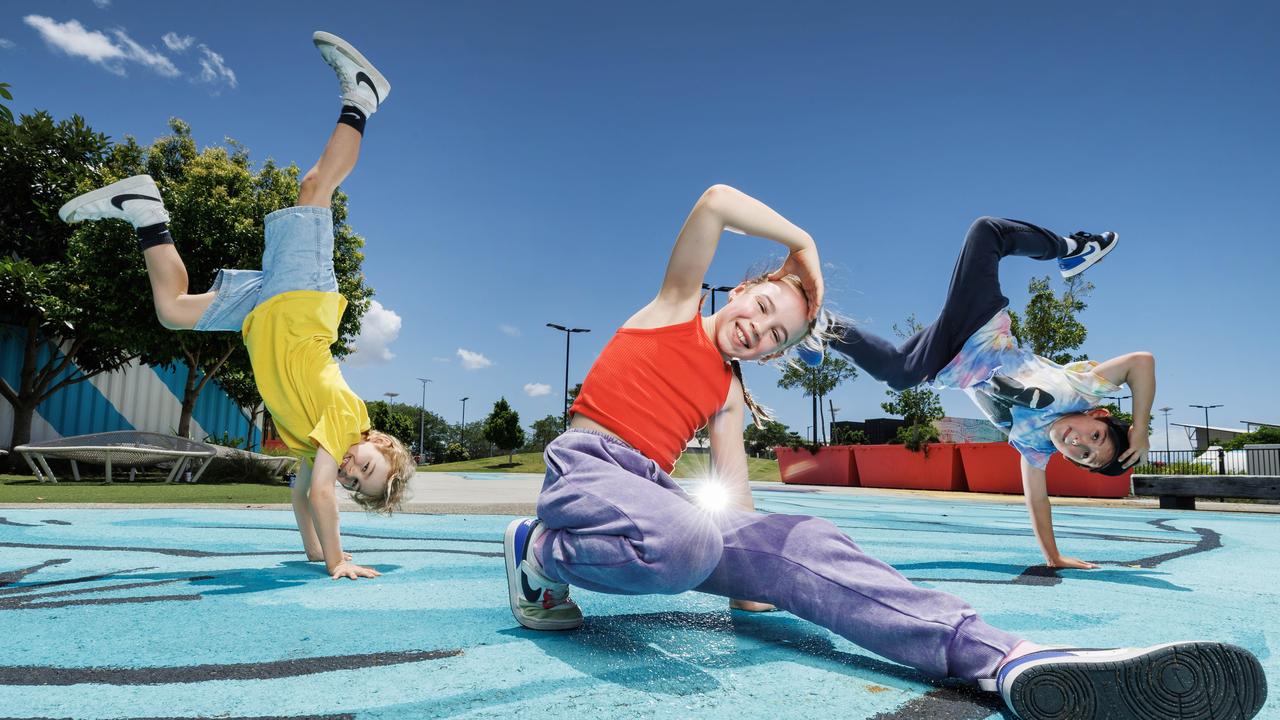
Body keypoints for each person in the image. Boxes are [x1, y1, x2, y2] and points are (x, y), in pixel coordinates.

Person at [501, 186, 1265, 719]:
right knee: (687, 539)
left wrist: (752, 573)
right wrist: (801, 247)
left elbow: (730, 494)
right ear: (738, 290)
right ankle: (539, 554)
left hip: (659, 501)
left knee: (802, 541)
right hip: (590, 468)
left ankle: (1002, 658)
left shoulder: (728, 389)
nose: (759, 330)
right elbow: (714, 200)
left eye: (776, 337)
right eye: (762, 310)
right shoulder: (670, 308)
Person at [57, 32, 414, 581]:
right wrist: (339, 561)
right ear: (379, 444)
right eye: (363, 468)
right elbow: (320, 492)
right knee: (314, 187)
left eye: (352, 482)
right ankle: (363, 96)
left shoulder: (312, 443)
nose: (346, 471)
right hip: (298, 303)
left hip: (260, 316)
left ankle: (145, 210)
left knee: (172, 310)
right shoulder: (348, 420)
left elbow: (303, 498)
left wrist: (317, 553)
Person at [817, 217, 1151, 569]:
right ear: (1097, 415)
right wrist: (1140, 430)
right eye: (1094, 437)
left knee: (899, 373)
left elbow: (1038, 500)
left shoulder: (1034, 445)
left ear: (1068, 461)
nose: (1077, 442)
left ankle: (822, 328)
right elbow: (1141, 363)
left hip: (948, 360)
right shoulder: (1082, 391)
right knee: (987, 232)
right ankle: (1075, 249)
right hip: (981, 327)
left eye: (1082, 455)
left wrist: (1053, 557)